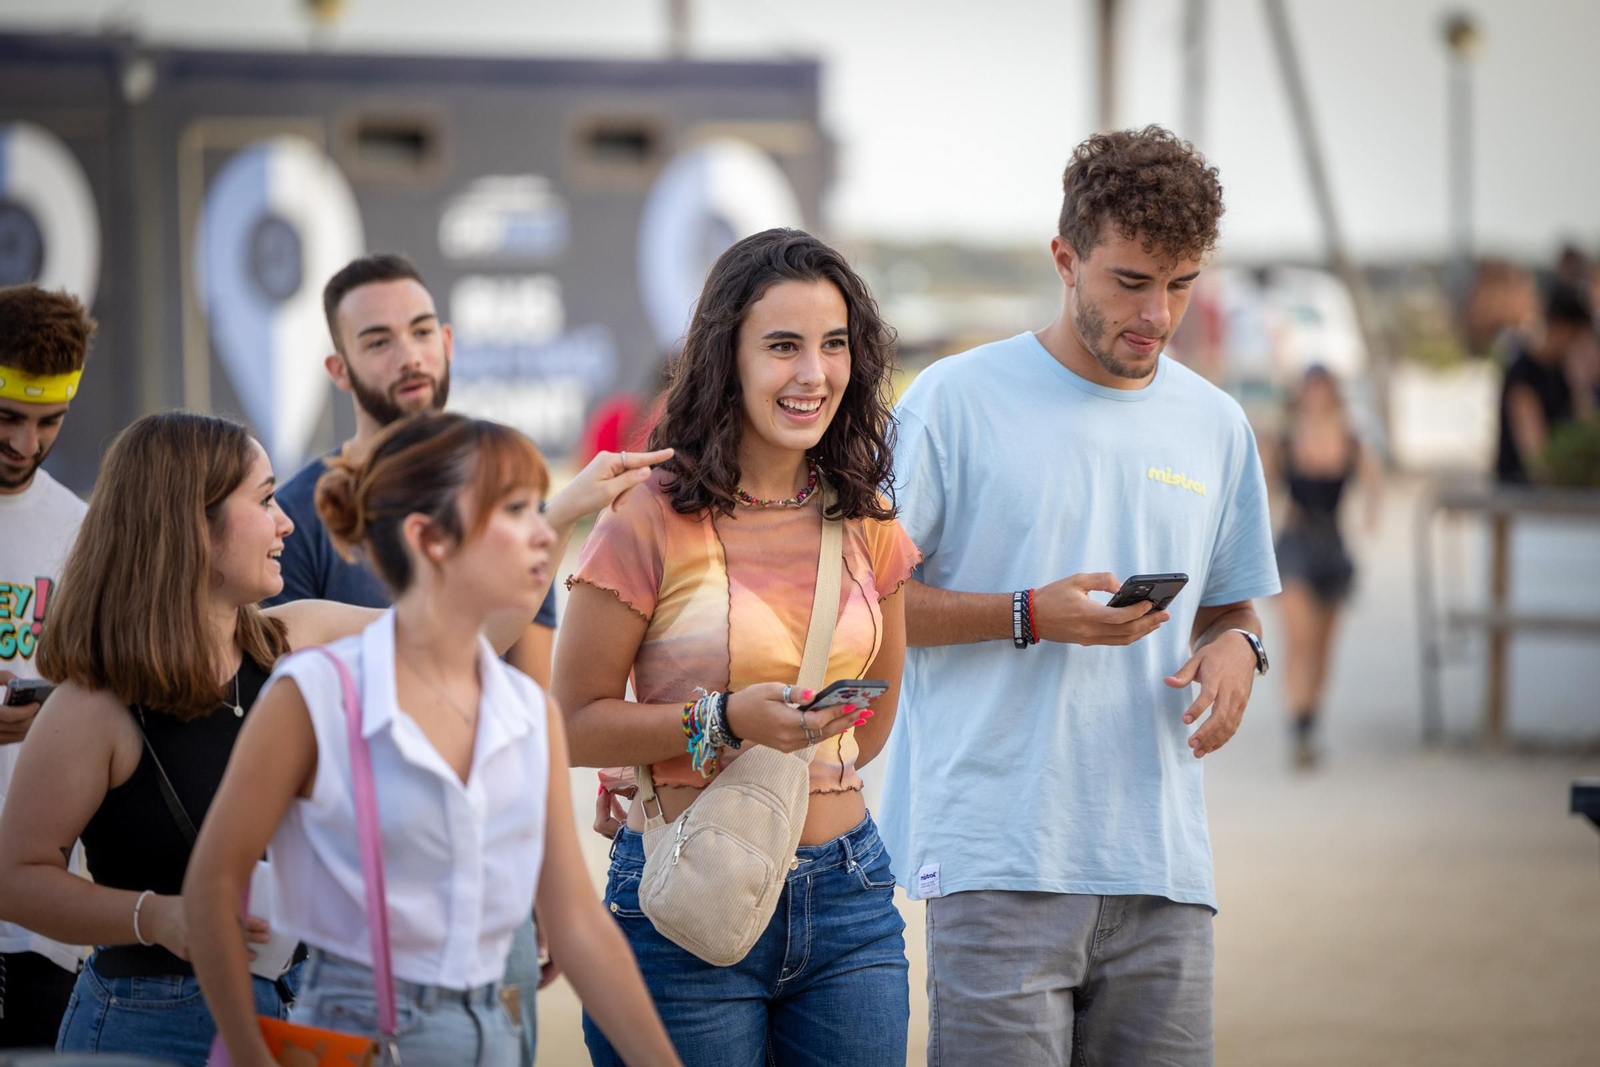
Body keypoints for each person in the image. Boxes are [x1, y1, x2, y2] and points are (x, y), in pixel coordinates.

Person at [880, 126, 1280, 1067]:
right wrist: (1023, 614)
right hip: (998, 861)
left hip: (1165, 870)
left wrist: (1240, 649)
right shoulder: (952, 402)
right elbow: (859, 611)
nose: (1159, 314)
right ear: (1065, 259)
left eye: (1181, 284)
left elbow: (1234, 604)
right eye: (1130, 281)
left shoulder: (1217, 426)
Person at [185, 412, 681, 1067]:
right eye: (514, 510)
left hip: (499, 1032)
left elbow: (579, 924)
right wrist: (250, 1053)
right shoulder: (316, 694)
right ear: (430, 539)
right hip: (352, 1036)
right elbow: (213, 885)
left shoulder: (526, 711)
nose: (544, 531)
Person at [264, 253, 663, 1061]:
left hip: (496, 904)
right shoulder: (290, 520)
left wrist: (544, 878)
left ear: (447, 341)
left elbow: (525, 707)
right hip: (350, 927)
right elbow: (328, 680)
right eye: (378, 341)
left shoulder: (509, 529)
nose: (408, 356)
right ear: (338, 368)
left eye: (420, 332)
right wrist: (565, 509)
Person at [555, 228, 920, 1066]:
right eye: (783, 346)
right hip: (685, 903)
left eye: (834, 345)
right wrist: (720, 721)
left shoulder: (868, 516)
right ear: (728, 356)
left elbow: (874, 716)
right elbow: (569, 722)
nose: (813, 373)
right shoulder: (647, 515)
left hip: (849, 898)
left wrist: (795, 758)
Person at [0, 285, 96, 1047]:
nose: (25, 445)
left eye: (47, 422)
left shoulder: (83, 530)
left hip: (42, 922)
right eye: (7, 418)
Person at [1268, 365, 1381, 768]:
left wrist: (1372, 512)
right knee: (1298, 641)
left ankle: (1311, 721)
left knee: (1323, 647)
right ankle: (1297, 727)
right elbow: (1257, 489)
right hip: (1295, 545)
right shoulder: (1284, 440)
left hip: (1333, 545)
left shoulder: (1350, 440)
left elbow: (1374, 481)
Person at [1496, 281, 1596, 483]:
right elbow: (1538, 460)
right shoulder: (1523, 373)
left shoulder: (1565, 371)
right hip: (1523, 498)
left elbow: (1589, 437)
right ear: (1562, 329)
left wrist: (1581, 386)